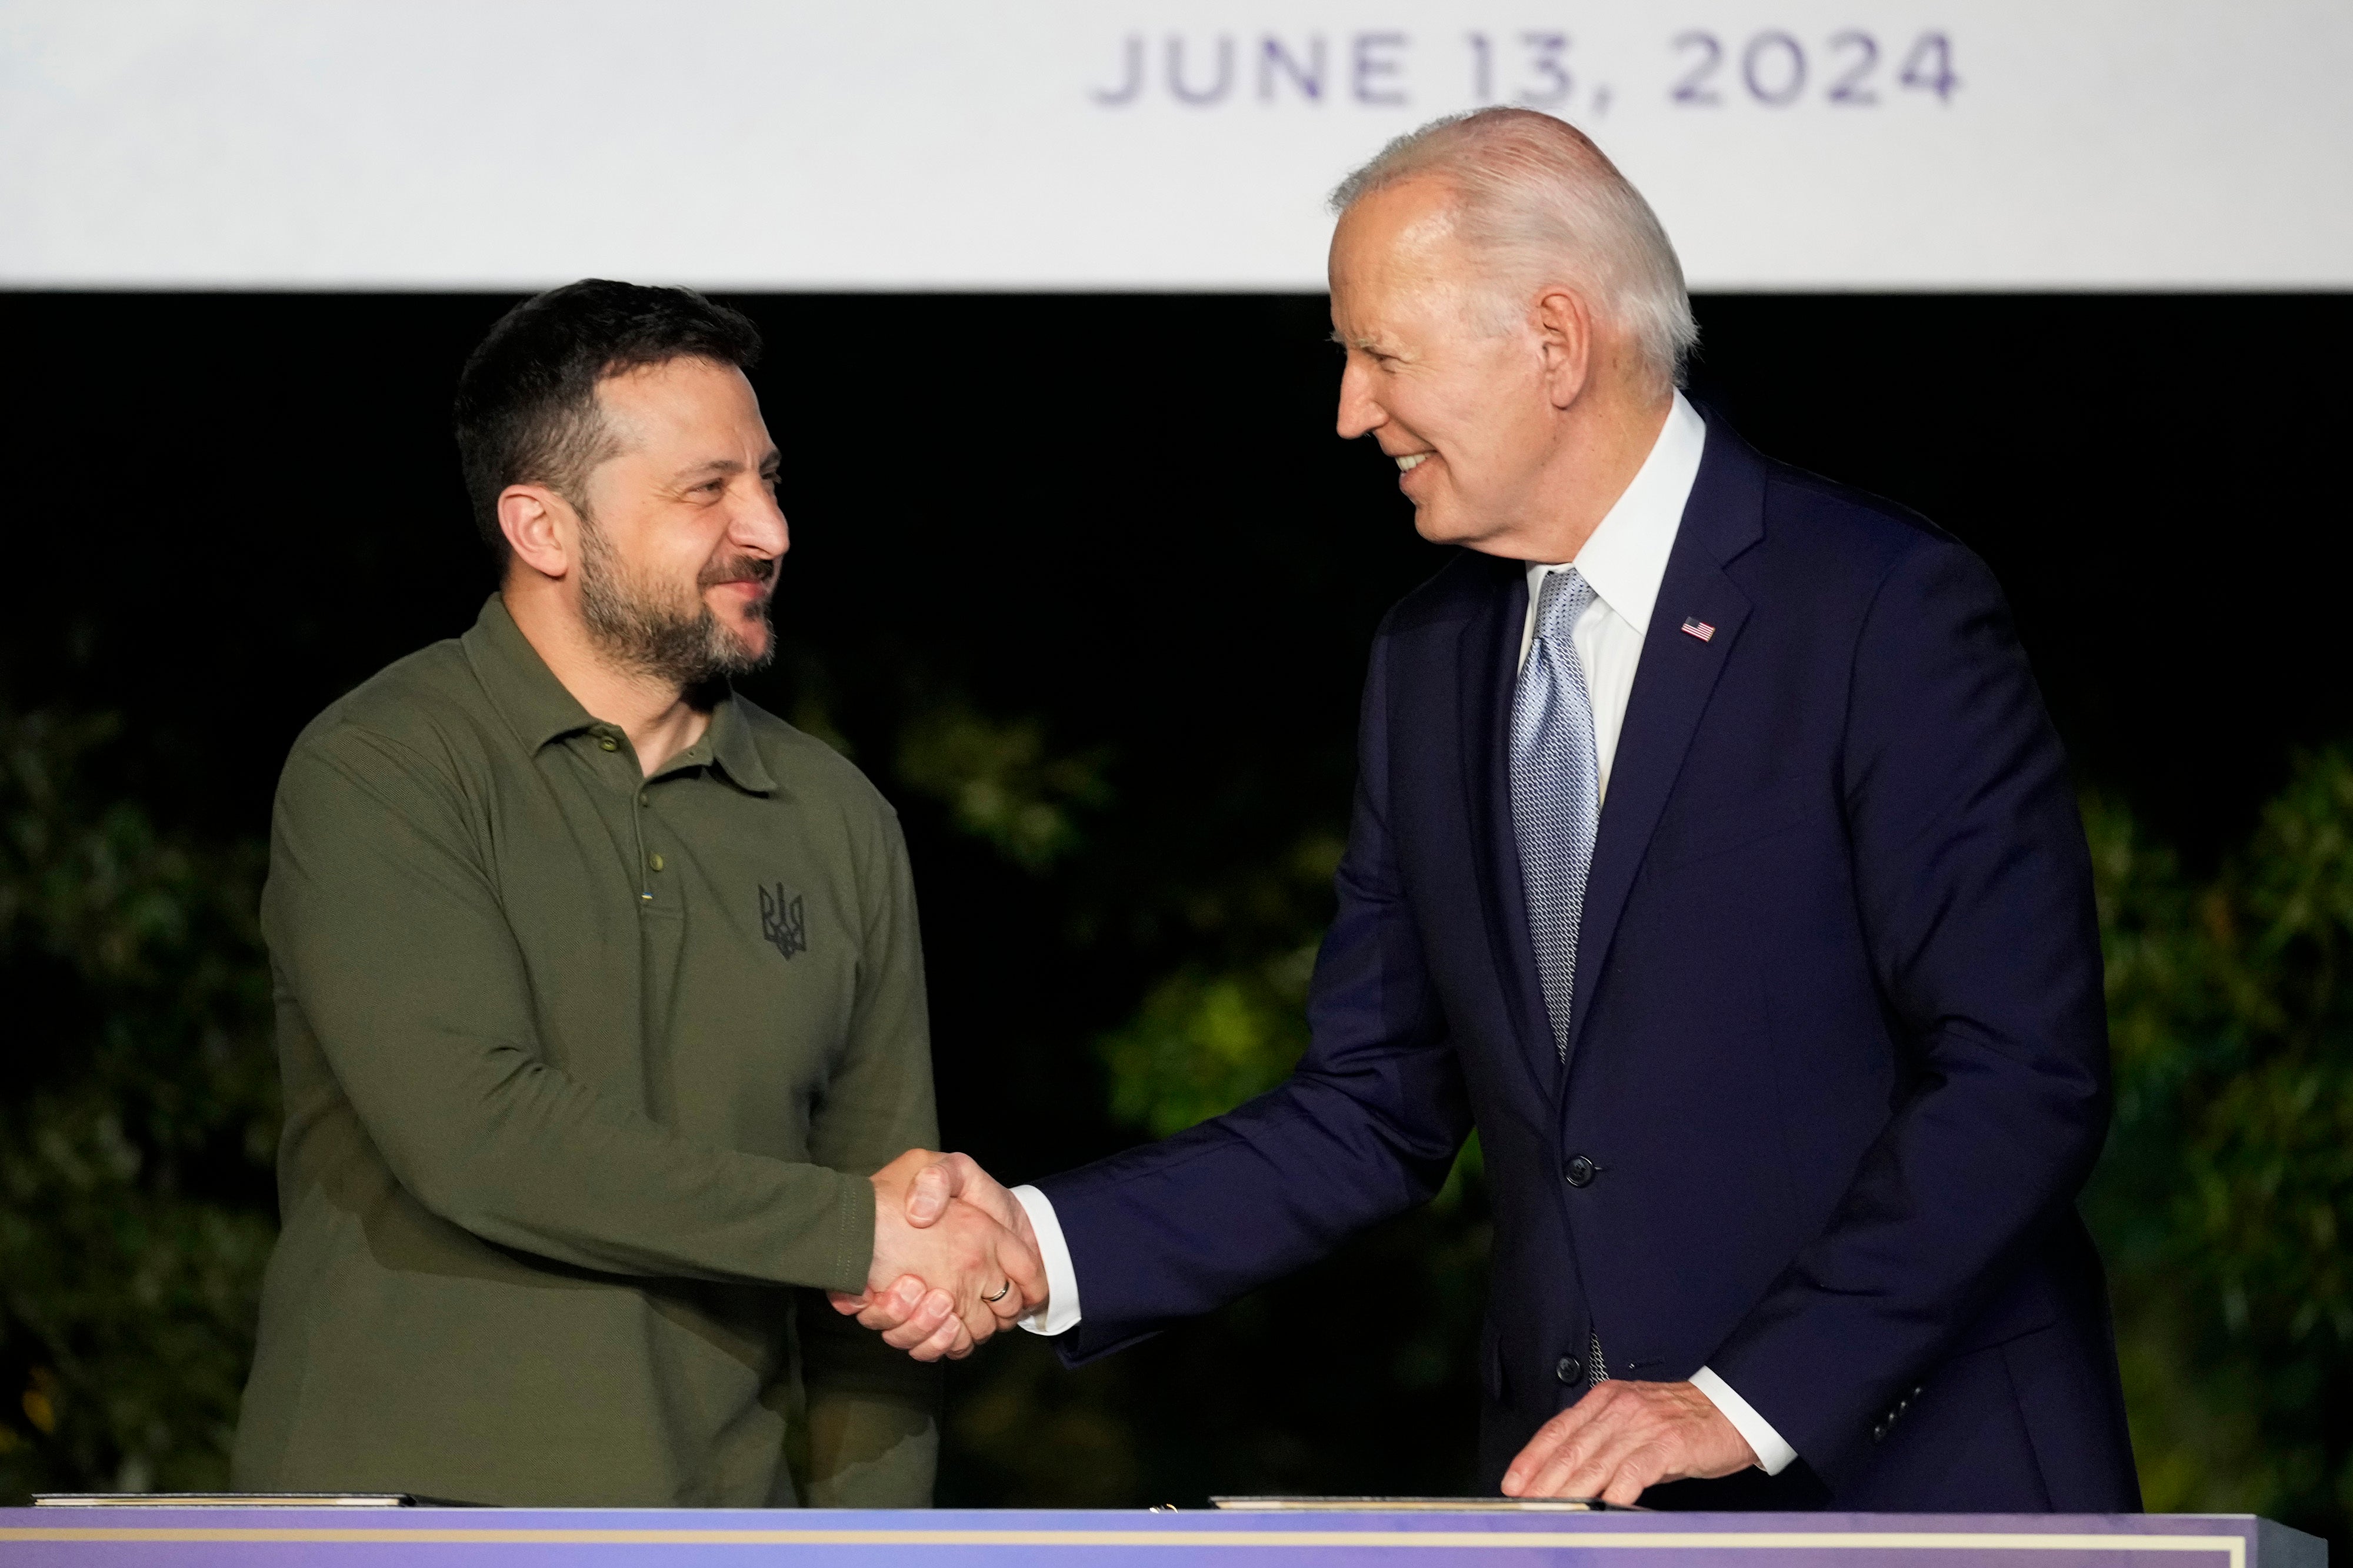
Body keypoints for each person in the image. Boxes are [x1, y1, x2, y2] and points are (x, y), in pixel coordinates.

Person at [841, 111, 2140, 1511]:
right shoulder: (1427, 659)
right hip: (1576, 1504)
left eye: (1381, 355)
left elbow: (2020, 1073)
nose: (1348, 410)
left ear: (1555, 342)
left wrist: (1737, 1402)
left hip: (1910, 1490)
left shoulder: (1876, 609)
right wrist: (1040, 1244)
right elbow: (1375, 1103)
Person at [231, 280, 1042, 1507]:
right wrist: (855, 1228)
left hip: (730, 1529)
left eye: (768, 478)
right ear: (543, 528)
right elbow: (480, 1135)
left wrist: (871, 1549)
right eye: (706, 489)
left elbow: (890, 1265)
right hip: (401, 1524)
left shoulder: (836, 819)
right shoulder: (383, 767)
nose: (768, 528)